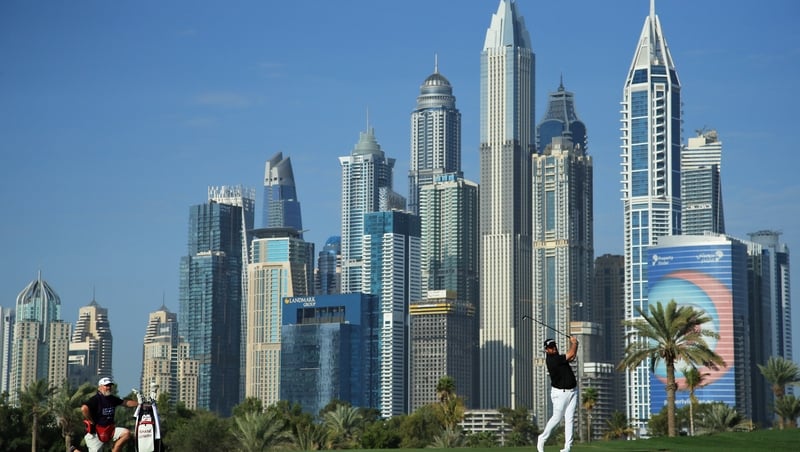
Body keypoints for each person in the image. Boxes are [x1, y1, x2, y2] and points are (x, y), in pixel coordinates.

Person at [537, 336, 579, 452]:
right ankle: (542, 438)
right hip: (560, 394)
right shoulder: (552, 360)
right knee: (557, 418)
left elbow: (572, 356)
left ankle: (567, 447)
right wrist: (574, 343)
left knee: (569, 419)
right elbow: (570, 355)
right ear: (546, 350)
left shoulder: (558, 357)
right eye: (551, 347)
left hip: (573, 391)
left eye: (554, 346)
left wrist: (576, 344)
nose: (554, 348)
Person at [81, 377, 139, 452]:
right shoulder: (96, 399)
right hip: (95, 433)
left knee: (126, 433)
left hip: (109, 430)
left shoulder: (111, 398)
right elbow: (84, 408)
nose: (109, 388)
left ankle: (115, 449)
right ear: (100, 387)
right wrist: (91, 421)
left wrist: (140, 404)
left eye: (110, 386)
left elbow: (125, 403)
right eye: (106, 386)